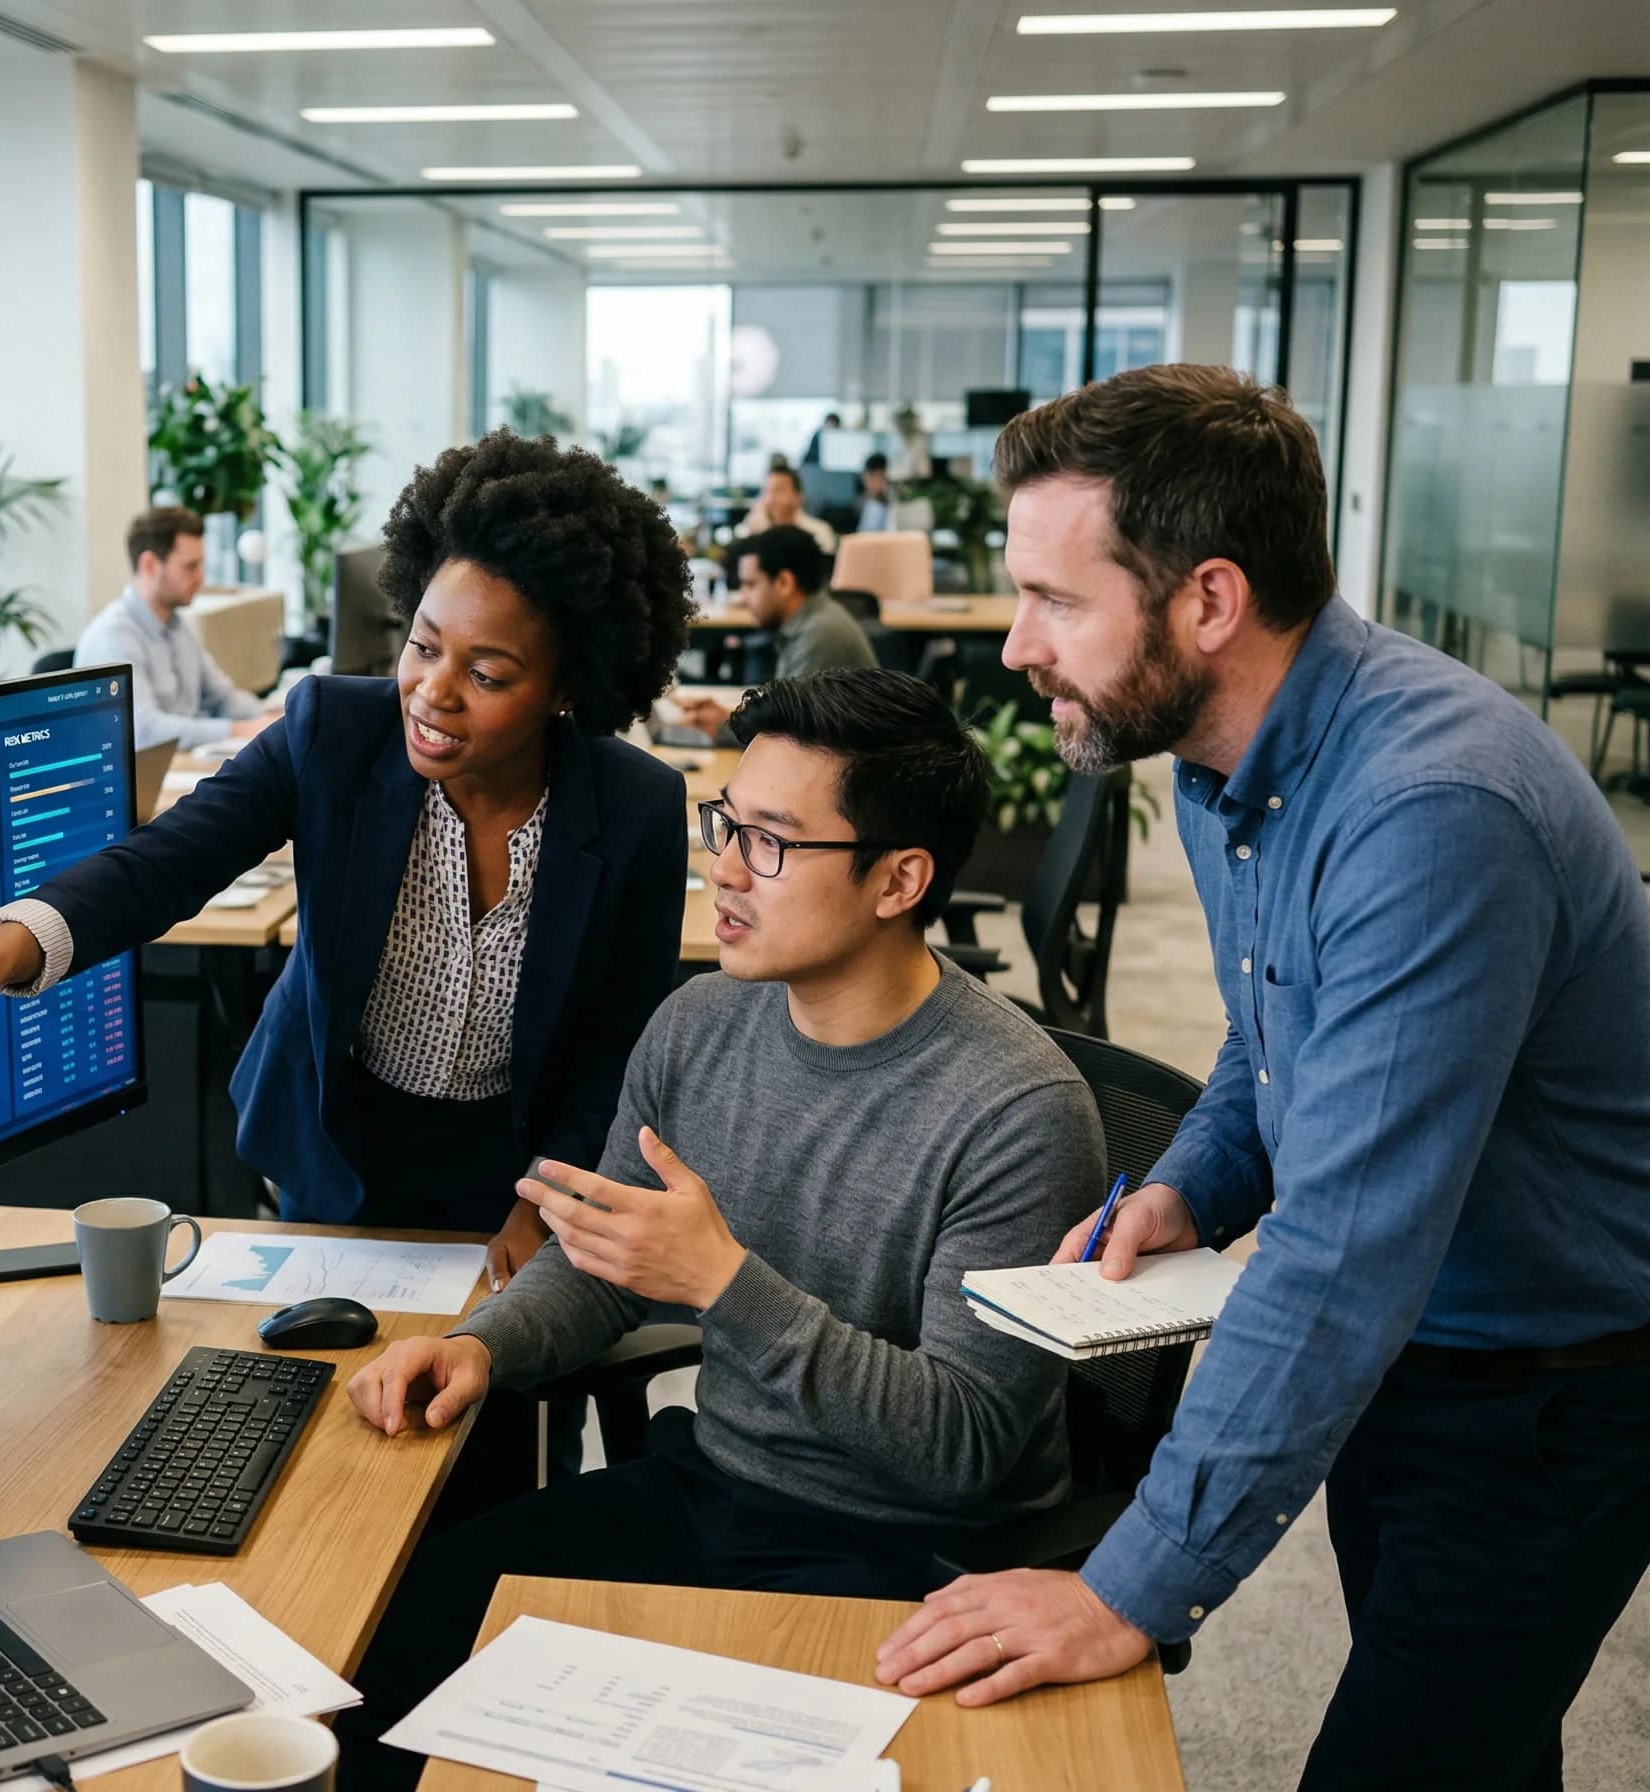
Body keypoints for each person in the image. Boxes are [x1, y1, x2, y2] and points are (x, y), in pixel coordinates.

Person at [875, 365, 1650, 1792]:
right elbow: (1268, 1029)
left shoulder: (1431, 814)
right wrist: (1192, 1179)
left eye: (1054, 599)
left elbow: (1343, 1253)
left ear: (1207, 603)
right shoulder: (1219, 750)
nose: (1012, 647)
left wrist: (1127, 1591)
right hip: (1423, 1358)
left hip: (1557, 1391)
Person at [333, 669, 1106, 1791]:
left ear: (901, 879)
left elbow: (968, 1445)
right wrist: (482, 1344)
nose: (726, 868)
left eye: (774, 843)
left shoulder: (1018, 1113)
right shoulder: (699, 1023)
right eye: (726, 824)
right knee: (368, 1668)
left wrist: (725, 1282)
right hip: (711, 1492)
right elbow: (602, 1267)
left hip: (907, 1559)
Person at [0, 431, 694, 1284]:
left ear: (569, 687)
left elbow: (622, 1045)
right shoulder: (334, 733)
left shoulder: (634, 809)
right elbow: (164, 861)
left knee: (502, 1426)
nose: (433, 693)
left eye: (487, 674)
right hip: (338, 1149)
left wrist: (551, 1201)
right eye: (422, 646)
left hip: (519, 1166)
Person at [74, 506, 281, 749]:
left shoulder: (177, 626)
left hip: (182, 766)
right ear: (150, 565)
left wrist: (273, 719)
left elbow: (223, 698)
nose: (201, 577)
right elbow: (144, 730)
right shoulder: (113, 637)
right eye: (190, 567)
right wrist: (239, 730)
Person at [678, 526, 873, 735]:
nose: (743, 597)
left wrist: (723, 728)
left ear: (784, 583)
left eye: (751, 584)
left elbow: (787, 734)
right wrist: (728, 719)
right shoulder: (808, 624)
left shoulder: (820, 634)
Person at [738, 463, 838, 553]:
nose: (770, 499)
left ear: (798, 497)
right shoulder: (754, 528)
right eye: (766, 491)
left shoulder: (819, 532)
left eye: (779, 491)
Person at [855, 451, 894, 534]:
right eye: (873, 478)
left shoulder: (879, 507)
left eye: (881, 479)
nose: (878, 484)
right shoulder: (864, 503)